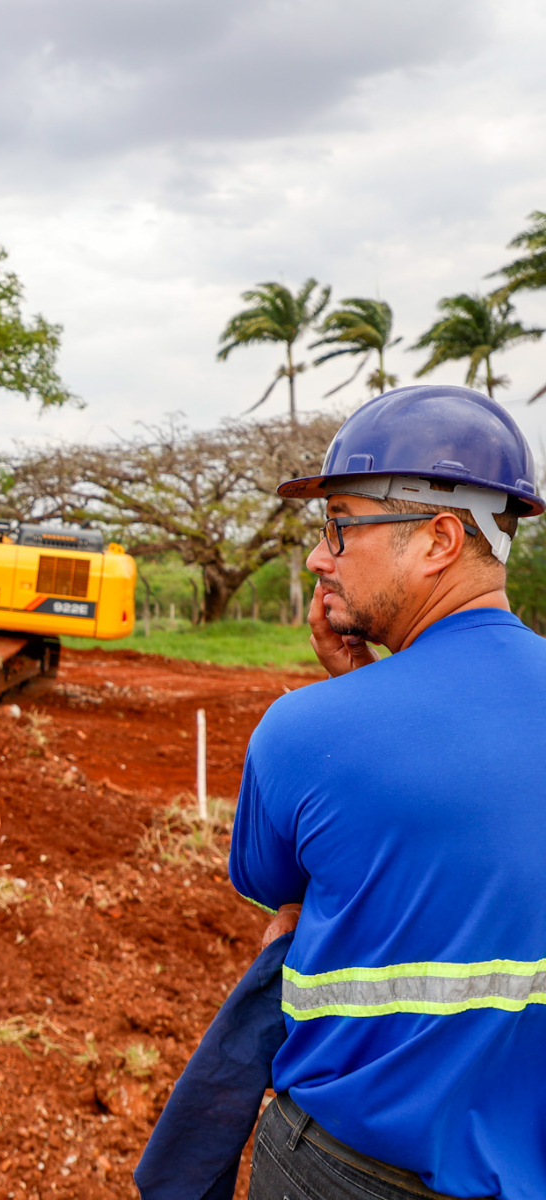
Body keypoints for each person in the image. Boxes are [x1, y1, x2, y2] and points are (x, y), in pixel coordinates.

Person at [229, 384, 546, 1200]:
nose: (318, 557)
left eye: (342, 525)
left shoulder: (302, 732)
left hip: (343, 1174)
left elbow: (275, 888)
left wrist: (349, 695)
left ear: (440, 538)